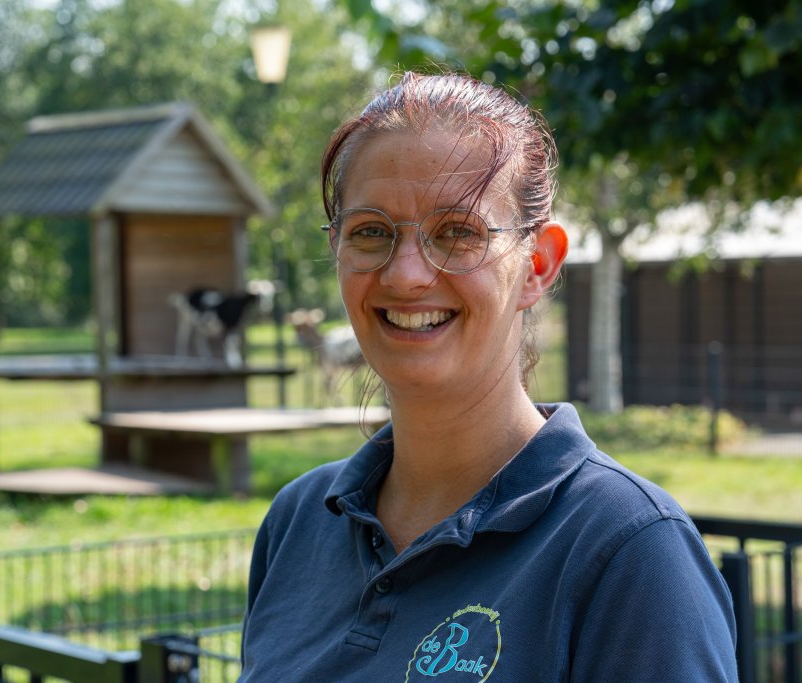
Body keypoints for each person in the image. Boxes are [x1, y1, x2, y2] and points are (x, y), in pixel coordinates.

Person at [240, 71, 738, 681]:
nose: (405, 275)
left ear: (538, 264)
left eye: (457, 233)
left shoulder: (629, 551)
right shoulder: (297, 522)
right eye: (371, 232)